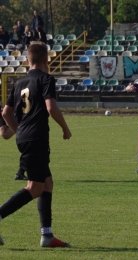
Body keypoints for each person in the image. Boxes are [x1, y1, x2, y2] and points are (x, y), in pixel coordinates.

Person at [0, 41, 72, 247]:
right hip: (37, 137)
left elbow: (5, 113)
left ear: (27, 60)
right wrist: (65, 129)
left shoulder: (18, 83)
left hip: (26, 136)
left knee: (47, 184)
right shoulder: (46, 79)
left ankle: (47, 235)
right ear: (46, 60)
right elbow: (51, 108)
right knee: (34, 187)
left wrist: (19, 130)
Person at [0, 107, 28, 180]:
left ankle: (21, 172)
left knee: (33, 146)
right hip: (25, 116)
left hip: (28, 115)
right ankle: (21, 172)